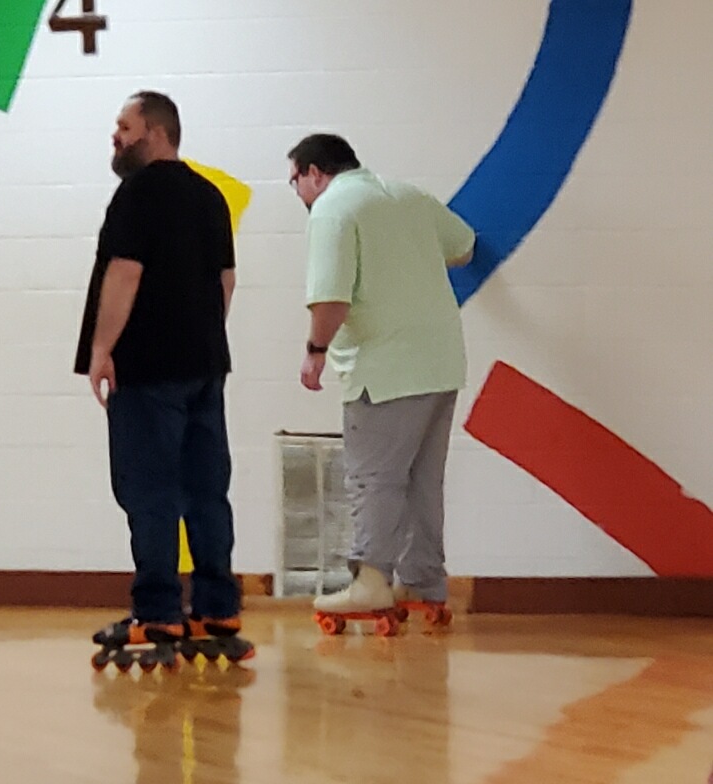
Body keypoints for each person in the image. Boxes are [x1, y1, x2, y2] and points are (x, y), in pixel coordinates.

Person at [75, 90, 249, 656]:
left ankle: (158, 612)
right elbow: (225, 280)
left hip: (146, 367)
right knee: (206, 489)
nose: (115, 137)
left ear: (155, 131)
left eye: (124, 127)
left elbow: (124, 273)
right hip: (205, 365)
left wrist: (102, 349)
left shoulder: (137, 194)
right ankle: (218, 607)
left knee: (149, 489)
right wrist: (200, 334)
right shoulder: (208, 196)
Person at [288, 133, 475, 616]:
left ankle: (371, 582)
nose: (298, 193)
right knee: (423, 482)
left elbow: (331, 297)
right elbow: (464, 247)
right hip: (441, 362)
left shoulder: (332, 209)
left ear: (314, 173)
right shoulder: (409, 196)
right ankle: (423, 582)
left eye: (295, 181)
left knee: (375, 479)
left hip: (384, 369)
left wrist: (315, 351)